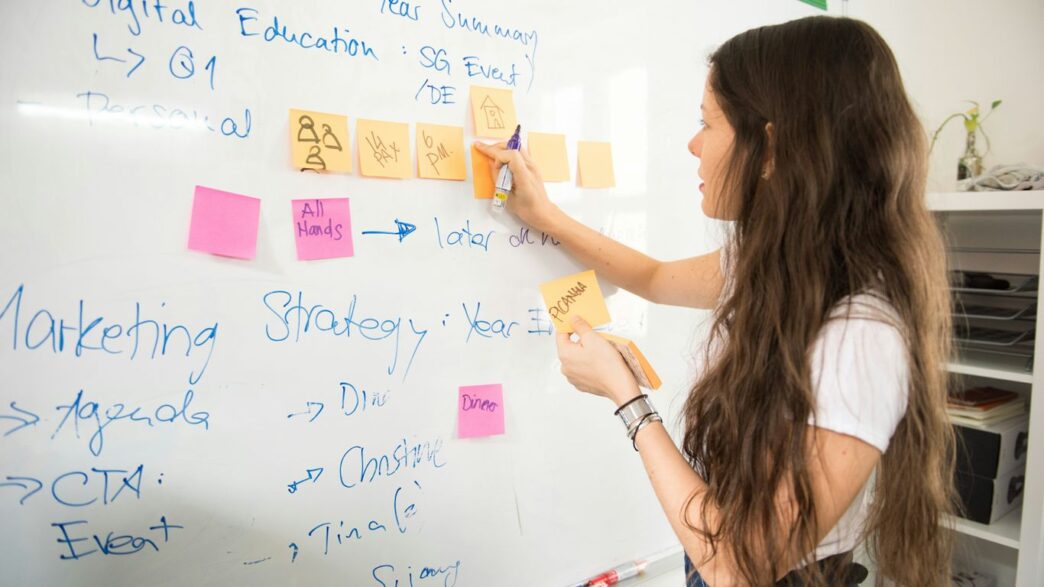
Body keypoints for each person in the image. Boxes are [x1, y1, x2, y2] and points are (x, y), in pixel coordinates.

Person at [475, 15, 955, 587]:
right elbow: (651, 277)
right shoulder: (784, 264)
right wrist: (544, 216)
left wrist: (625, 396)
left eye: (708, 124)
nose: (692, 144)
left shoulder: (861, 335)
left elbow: (736, 567)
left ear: (771, 148)